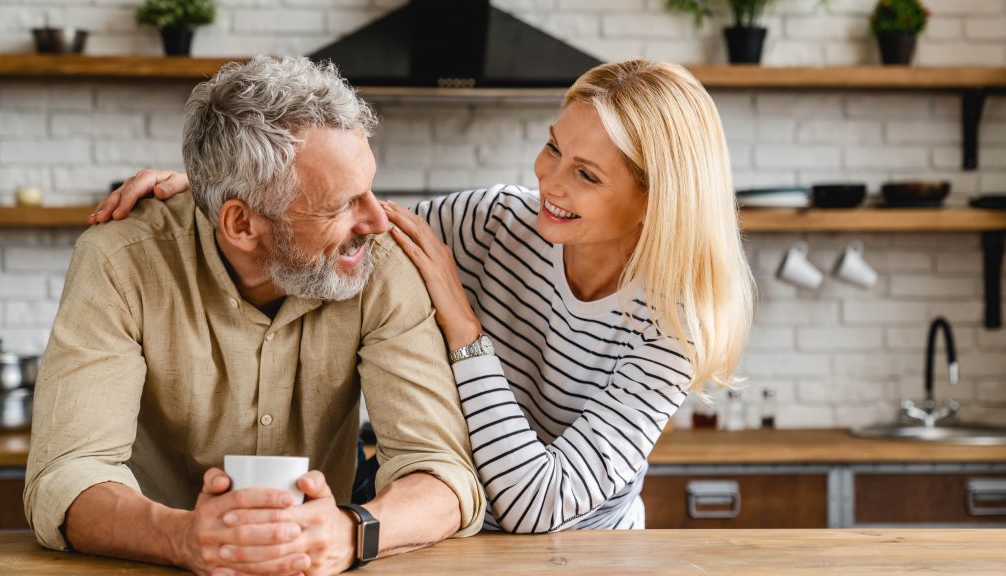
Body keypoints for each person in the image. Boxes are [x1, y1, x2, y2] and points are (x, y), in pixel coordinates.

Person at [94, 59, 755, 533]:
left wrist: (464, 328)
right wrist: (219, 187)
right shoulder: (498, 220)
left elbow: (540, 504)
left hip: (579, 552)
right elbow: (335, 222)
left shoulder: (675, 325)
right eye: (552, 148)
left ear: (654, 202)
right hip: (441, 533)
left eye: (584, 174)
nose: (547, 180)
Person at [25, 55, 484, 576]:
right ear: (240, 224)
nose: (377, 219)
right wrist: (180, 538)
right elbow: (65, 477)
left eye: (370, 188)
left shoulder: (379, 263)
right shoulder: (120, 261)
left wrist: (353, 533)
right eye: (341, 204)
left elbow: (443, 475)